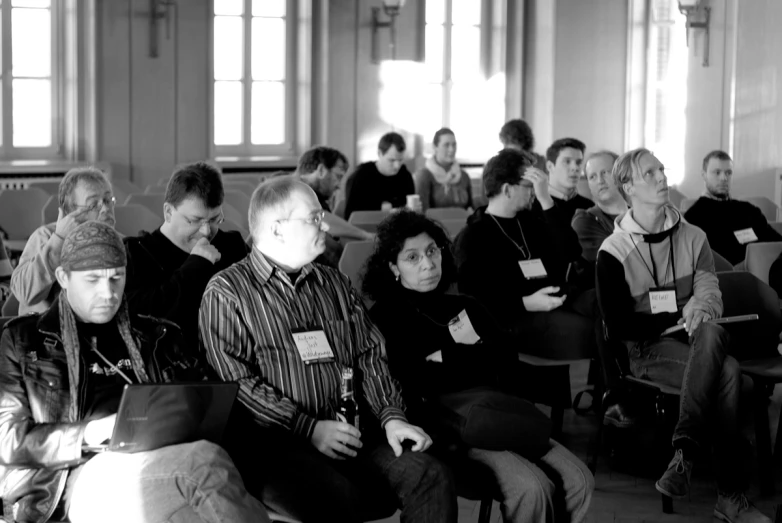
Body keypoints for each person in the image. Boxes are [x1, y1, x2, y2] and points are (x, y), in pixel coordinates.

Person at [199, 177, 457, 523]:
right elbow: (237, 382)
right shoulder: (228, 291)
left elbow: (369, 352)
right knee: (337, 498)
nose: (325, 226)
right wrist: (310, 428)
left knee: (431, 474)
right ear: (277, 229)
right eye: (314, 218)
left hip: (351, 431)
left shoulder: (333, 282)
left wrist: (391, 416)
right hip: (278, 444)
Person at [0, 221, 269, 523]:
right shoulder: (24, 341)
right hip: (75, 481)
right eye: (92, 280)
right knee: (203, 462)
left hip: (162, 462)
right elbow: (9, 441)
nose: (108, 292)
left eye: (117, 278)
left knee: (194, 511)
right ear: (63, 277)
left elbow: (207, 400)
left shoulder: (156, 334)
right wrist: (95, 431)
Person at [363, 210, 594, 523]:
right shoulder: (385, 319)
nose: (428, 265)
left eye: (432, 252)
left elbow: (505, 363)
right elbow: (413, 384)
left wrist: (445, 359)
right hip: (448, 433)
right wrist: (472, 358)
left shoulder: (465, 305)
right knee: (532, 487)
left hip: (500, 413)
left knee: (580, 478)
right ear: (393, 267)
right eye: (412, 258)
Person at [596, 148, 771, 523]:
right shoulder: (612, 252)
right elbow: (619, 326)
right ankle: (727, 495)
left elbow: (709, 287)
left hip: (696, 339)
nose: (662, 178)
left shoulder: (693, 235)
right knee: (728, 371)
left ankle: (685, 453)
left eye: (661, 170)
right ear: (628, 187)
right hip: (647, 349)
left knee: (709, 328)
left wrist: (701, 308)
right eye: (649, 174)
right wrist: (680, 313)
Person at [453, 149, 589, 362]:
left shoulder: (531, 221)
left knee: (607, 313)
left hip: (556, 301)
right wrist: (525, 303)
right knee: (588, 331)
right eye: (530, 186)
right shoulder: (474, 236)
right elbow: (474, 300)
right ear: (507, 189)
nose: (535, 191)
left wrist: (546, 200)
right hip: (513, 318)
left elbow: (571, 251)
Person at [124, 162, 249, 350]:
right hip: (168, 367)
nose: (206, 231)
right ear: (168, 212)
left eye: (215, 219)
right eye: (195, 221)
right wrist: (196, 267)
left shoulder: (231, 245)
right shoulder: (137, 253)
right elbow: (141, 316)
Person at [11, 167, 116, 315]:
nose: (105, 209)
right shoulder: (46, 237)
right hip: (49, 333)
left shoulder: (119, 243)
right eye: (93, 205)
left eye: (108, 200)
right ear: (70, 213)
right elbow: (25, 293)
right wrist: (60, 240)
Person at [684, 150, 782, 266]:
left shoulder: (748, 210)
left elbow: (776, 243)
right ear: (704, 175)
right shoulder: (693, 217)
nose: (723, 178)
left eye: (728, 173)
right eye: (717, 172)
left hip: (766, 272)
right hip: (726, 278)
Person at [343, 132, 417, 219]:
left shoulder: (405, 176)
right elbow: (350, 215)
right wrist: (382, 209)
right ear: (379, 153)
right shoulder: (360, 176)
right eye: (391, 160)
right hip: (364, 227)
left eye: (400, 160)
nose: (397, 166)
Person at [572, 151, 627, 266]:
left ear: (621, 174)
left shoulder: (641, 213)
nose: (600, 181)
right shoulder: (584, 221)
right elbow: (617, 260)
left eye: (605, 173)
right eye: (592, 177)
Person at [534, 138, 593, 224]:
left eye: (578, 162)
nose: (575, 168)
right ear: (550, 166)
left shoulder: (589, 207)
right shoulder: (533, 205)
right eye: (567, 161)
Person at [414, 128, 473, 211]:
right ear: (435, 147)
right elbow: (423, 213)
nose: (451, 149)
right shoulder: (424, 175)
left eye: (454, 144)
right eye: (446, 145)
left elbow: (471, 209)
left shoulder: (463, 176)